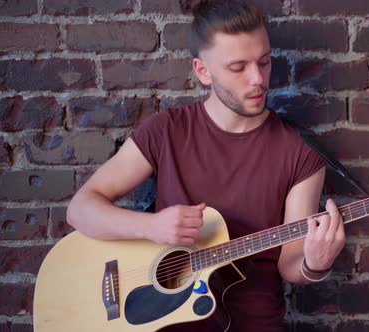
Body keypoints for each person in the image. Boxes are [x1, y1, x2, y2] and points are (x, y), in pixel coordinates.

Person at [66, 0, 346, 331]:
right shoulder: (167, 131)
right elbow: (80, 209)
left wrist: (315, 263)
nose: (257, 79)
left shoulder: (300, 151)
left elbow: (290, 264)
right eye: (238, 67)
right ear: (203, 71)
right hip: (165, 322)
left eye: (264, 62)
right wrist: (151, 227)